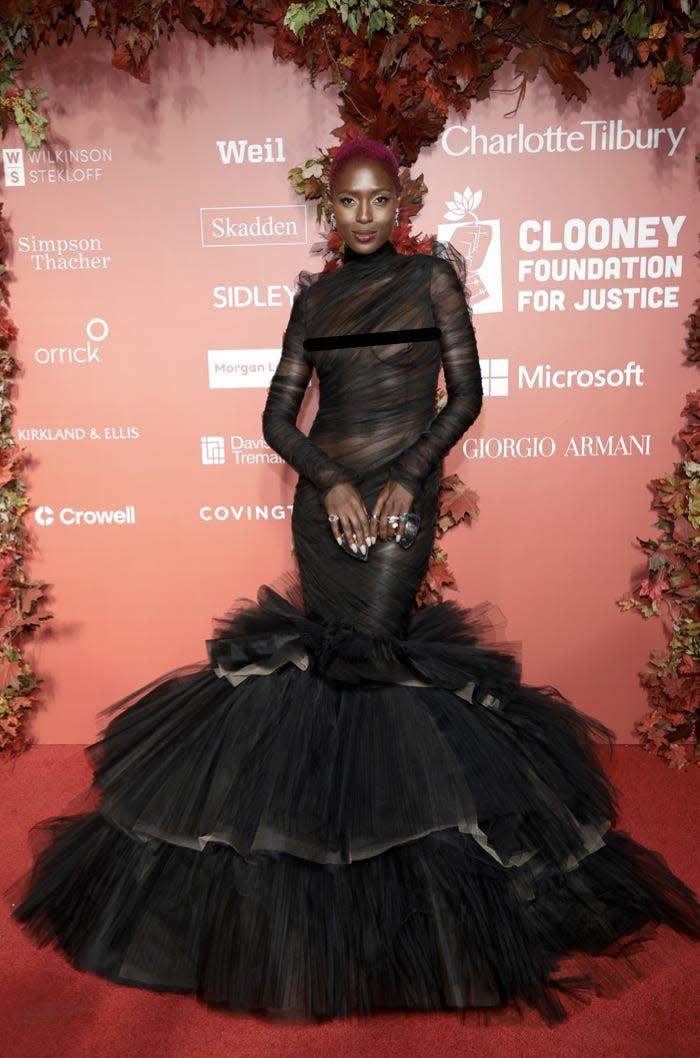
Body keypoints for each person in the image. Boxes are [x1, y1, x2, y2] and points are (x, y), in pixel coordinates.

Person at [11, 138, 700, 1023]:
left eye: (380, 201)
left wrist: (407, 477)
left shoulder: (432, 284)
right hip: (326, 506)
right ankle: (324, 878)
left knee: (378, 657)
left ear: (399, 201)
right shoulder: (317, 299)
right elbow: (275, 414)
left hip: (401, 503)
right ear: (331, 210)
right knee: (327, 673)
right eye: (349, 203)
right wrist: (329, 481)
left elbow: (465, 396)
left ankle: (405, 896)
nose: (365, 216)